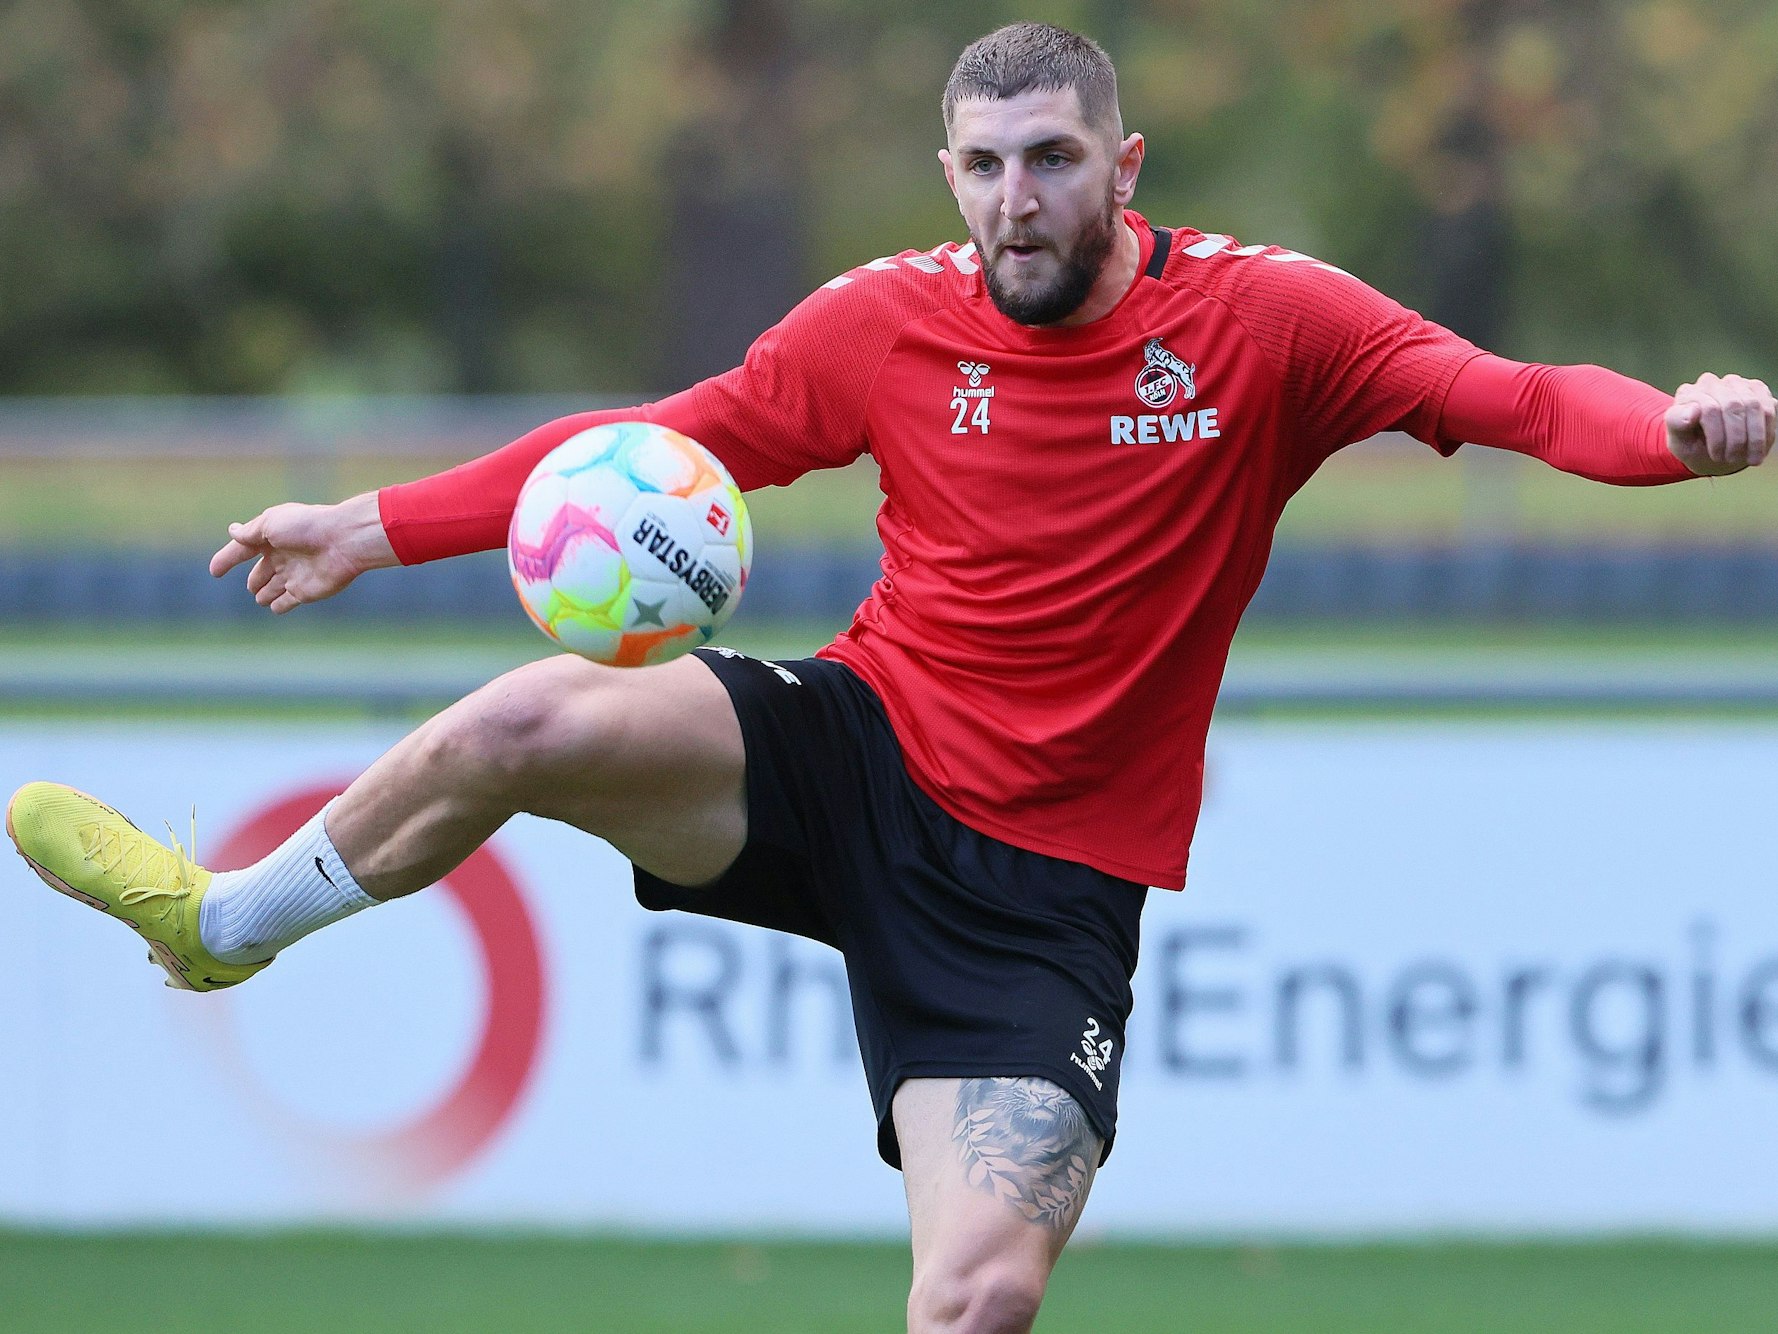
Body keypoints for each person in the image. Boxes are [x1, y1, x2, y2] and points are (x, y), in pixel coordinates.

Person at [9, 20, 1775, 1333]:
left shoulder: (1266, 323)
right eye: (988, 163)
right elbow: (651, 435)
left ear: (1124, 164)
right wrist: (371, 525)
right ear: (949, 176)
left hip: (1043, 897)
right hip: (851, 754)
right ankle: (219, 922)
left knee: (973, 1301)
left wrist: (1678, 428)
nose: (1020, 197)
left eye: (1054, 159)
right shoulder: (883, 323)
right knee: (527, 715)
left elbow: (1519, 396)